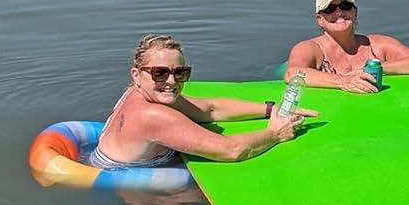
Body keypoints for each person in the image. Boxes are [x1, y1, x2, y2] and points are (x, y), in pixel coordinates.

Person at [90, 35, 317, 168]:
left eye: (180, 72)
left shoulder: (138, 93)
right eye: (159, 73)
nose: (171, 81)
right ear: (136, 75)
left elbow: (209, 108)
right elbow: (232, 150)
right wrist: (276, 133)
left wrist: (271, 109)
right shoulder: (153, 115)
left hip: (105, 162)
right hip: (128, 184)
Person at [285, 0, 409, 93]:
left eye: (345, 6)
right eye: (330, 9)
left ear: (355, 12)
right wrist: (343, 81)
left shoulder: (376, 45)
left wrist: (374, 70)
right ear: (320, 19)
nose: (339, 13)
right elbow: (292, 74)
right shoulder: (310, 48)